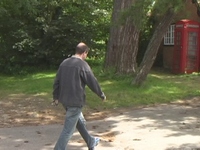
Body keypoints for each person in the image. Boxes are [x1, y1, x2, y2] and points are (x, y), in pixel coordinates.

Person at [52, 42, 106, 150]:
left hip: (65, 101)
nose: (86, 56)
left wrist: (56, 97)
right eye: (87, 53)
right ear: (84, 52)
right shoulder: (82, 65)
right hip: (76, 102)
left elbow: (56, 81)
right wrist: (101, 94)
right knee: (68, 130)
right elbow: (92, 82)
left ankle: (91, 141)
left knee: (79, 122)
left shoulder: (64, 63)